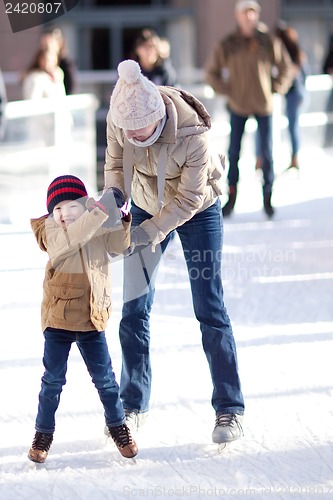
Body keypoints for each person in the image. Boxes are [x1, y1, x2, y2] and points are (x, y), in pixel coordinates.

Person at [104, 59, 245, 446]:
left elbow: (188, 199)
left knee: (209, 307)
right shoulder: (120, 117)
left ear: (159, 118)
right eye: (127, 131)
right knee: (134, 307)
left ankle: (230, 408)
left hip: (197, 210)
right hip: (149, 202)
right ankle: (133, 404)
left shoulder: (192, 133)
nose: (133, 136)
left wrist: (145, 233)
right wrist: (113, 201)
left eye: (141, 131)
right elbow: (115, 166)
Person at [28, 175, 138, 463]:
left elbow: (118, 245)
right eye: (57, 209)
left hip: (91, 315)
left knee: (105, 380)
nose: (63, 214)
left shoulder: (94, 222)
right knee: (52, 380)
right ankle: (43, 434)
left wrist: (122, 217)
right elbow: (70, 240)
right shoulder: (50, 229)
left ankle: (118, 427)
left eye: (70, 207)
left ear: (83, 204)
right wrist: (98, 213)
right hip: (59, 319)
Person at [205, 0, 293, 217]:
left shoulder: (268, 40)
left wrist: (276, 87)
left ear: (257, 15)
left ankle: (268, 196)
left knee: (267, 153)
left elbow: (286, 67)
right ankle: (231, 196)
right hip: (238, 105)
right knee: (234, 152)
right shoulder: (228, 43)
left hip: (264, 104)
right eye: (245, 13)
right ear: (238, 16)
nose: (249, 17)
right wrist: (227, 90)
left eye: (253, 13)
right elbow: (211, 72)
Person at [256, 21, 307, 171]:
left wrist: (278, 86)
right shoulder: (296, 51)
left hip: (293, 92)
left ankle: (293, 159)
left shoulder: (283, 52)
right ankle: (293, 158)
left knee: (291, 125)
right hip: (298, 92)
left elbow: (288, 74)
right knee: (292, 125)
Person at [40, 28, 77, 95]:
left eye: (47, 44)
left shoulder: (65, 63)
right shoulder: (40, 58)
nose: (44, 47)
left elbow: (70, 88)